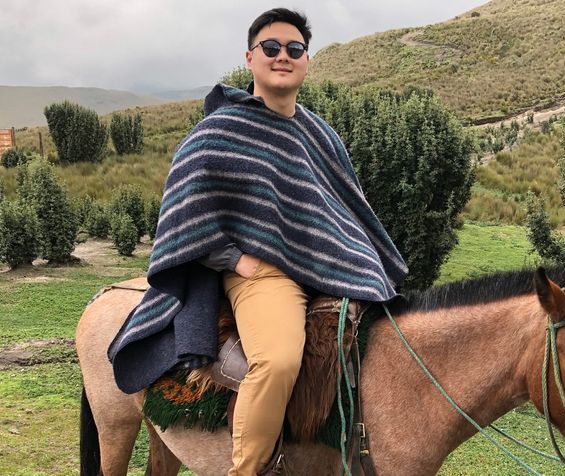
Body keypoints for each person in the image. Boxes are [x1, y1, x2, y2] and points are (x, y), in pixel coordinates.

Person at [108, 7, 407, 475]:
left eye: (294, 49)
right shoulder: (219, 133)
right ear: (250, 58)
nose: (282, 56)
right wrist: (233, 258)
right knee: (279, 360)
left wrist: (361, 260)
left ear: (306, 61)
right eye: (271, 48)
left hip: (328, 272)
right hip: (263, 274)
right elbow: (183, 213)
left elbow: (344, 211)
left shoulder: (321, 135)